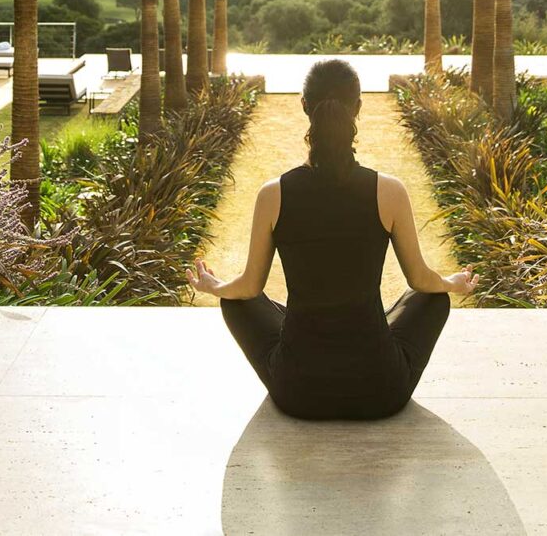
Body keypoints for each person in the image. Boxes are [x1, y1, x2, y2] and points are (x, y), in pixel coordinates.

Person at [191, 58, 476, 420]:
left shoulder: (273, 194)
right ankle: (372, 328)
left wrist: (215, 286)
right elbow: (420, 280)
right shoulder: (388, 191)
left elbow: (248, 288)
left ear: (305, 107)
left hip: (298, 393)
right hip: (379, 391)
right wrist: (451, 283)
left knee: (235, 301)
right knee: (433, 300)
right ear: (358, 108)